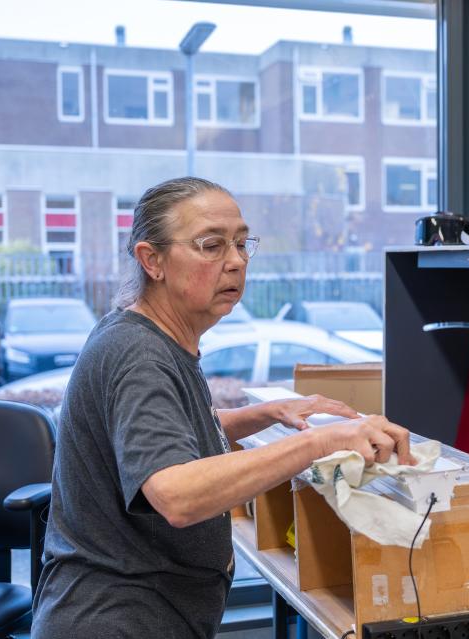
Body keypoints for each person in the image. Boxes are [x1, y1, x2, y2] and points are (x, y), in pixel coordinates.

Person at [32, 177, 413, 638]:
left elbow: (173, 431)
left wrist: (269, 412)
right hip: (117, 621)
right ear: (152, 260)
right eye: (211, 245)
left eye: (240, 243)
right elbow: (177, 495)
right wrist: (321, 442)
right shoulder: (140, 356)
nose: (235, 261)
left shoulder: (141, 334)